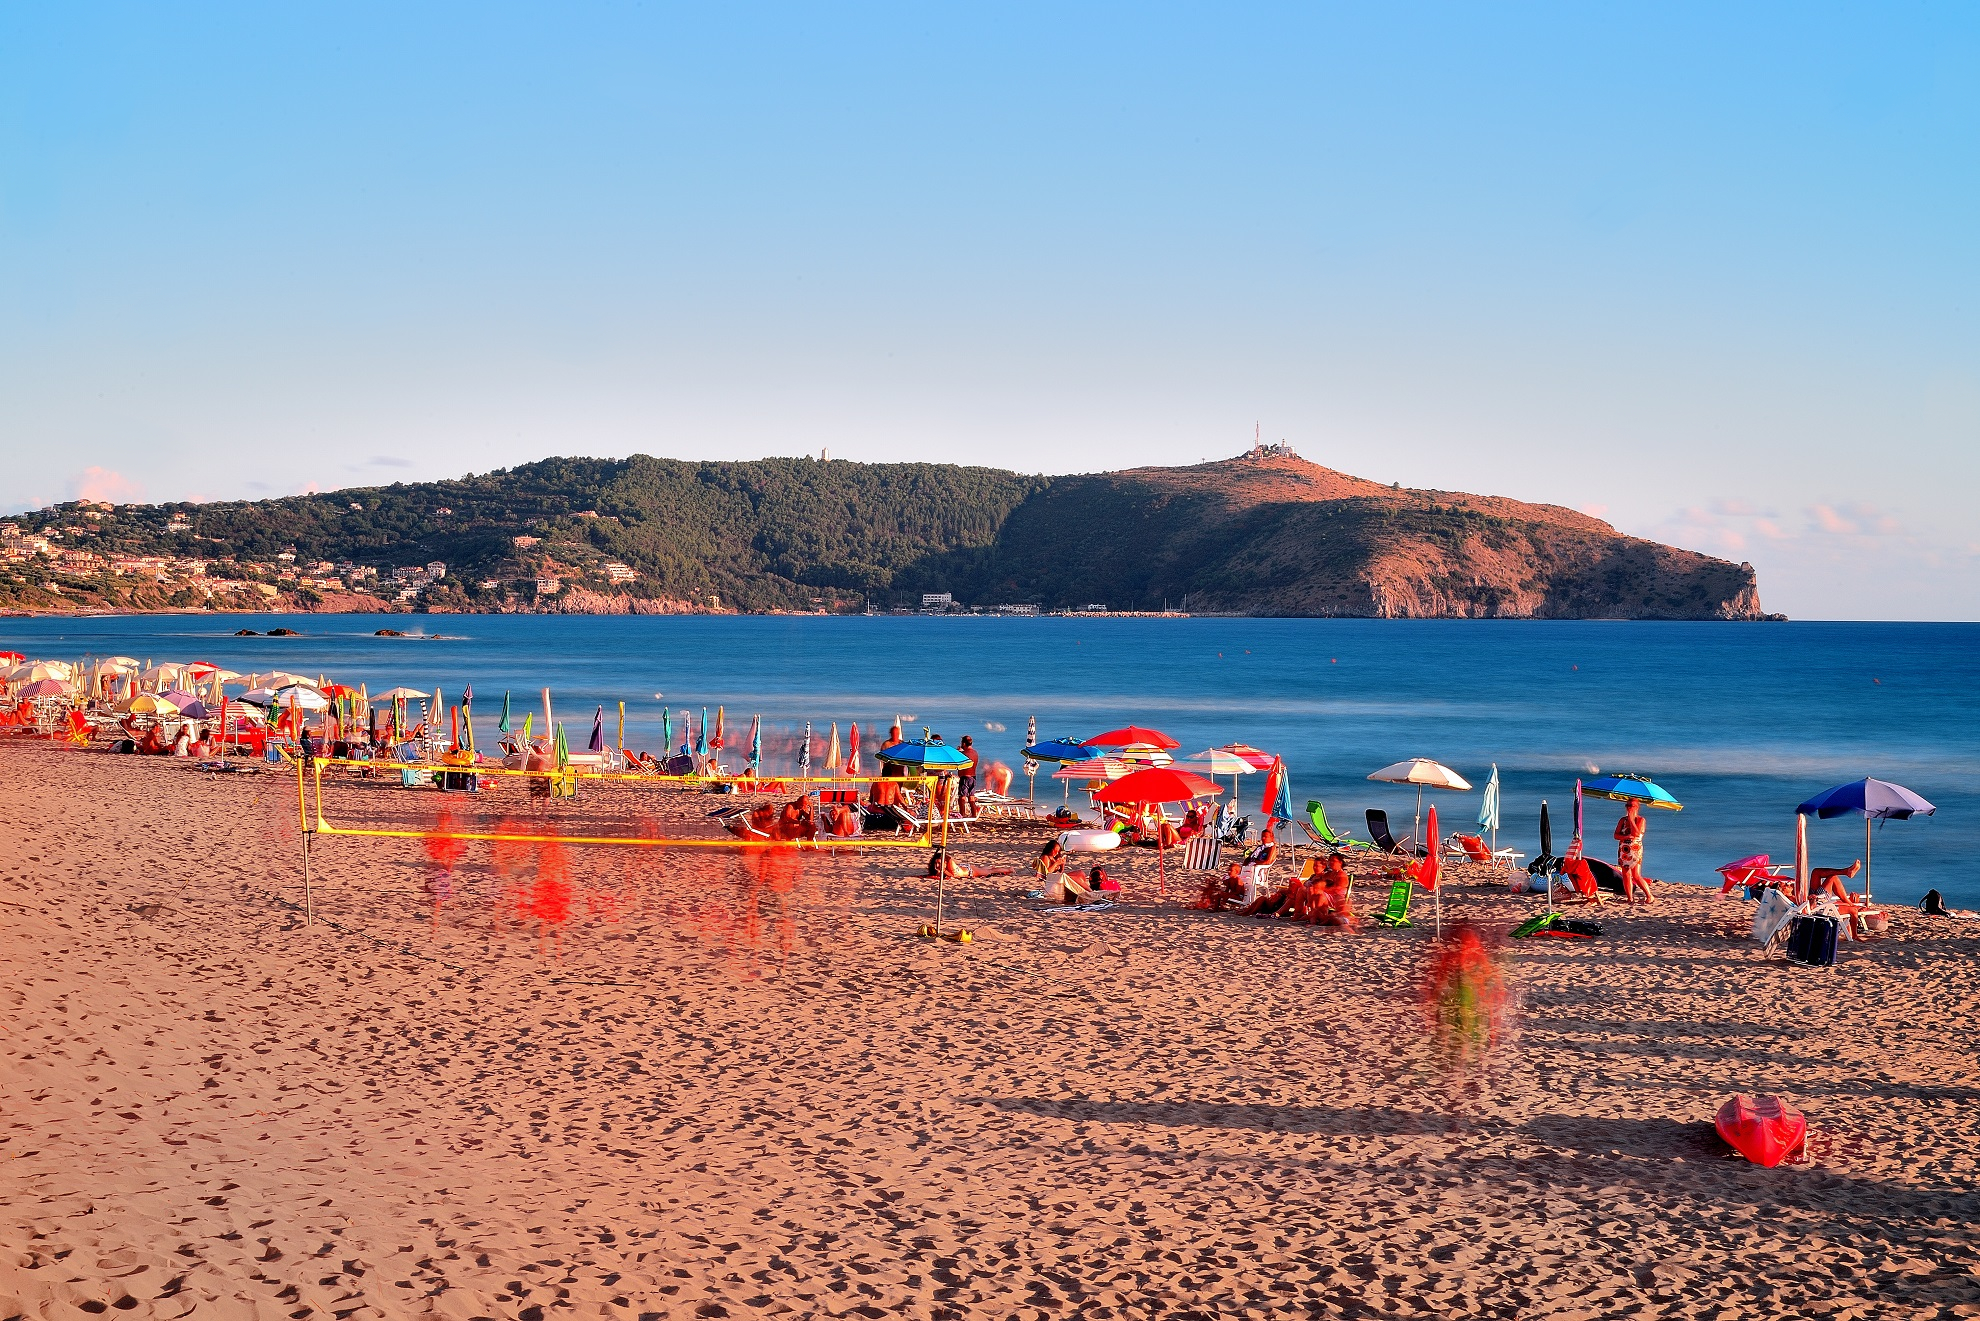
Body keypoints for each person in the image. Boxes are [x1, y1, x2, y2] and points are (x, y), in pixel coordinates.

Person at [1614, 799, 1652, 903]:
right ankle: (1630, 898)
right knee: (1626, 874)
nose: (1629, 807)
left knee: (1636, 874)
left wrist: (1631, 819)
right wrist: (1626, 836)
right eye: (1627, 805)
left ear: (1637, 807)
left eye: (1631, 805)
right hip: (1624, 849)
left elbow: (1636, 833)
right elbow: (1616, 835)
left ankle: (1649, 896)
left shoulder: (1641, 820)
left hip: (1635, 849)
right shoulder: (1622, 820)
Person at [957, 736, 979, 816]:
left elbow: (958, 761)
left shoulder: (963, 754)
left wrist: (958, 752)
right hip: (973, 777)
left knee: (962, 798)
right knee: (971, 798)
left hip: (965, 777)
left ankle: (962, 815)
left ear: (963, 743)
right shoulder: (975, 753)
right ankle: (974, 816)